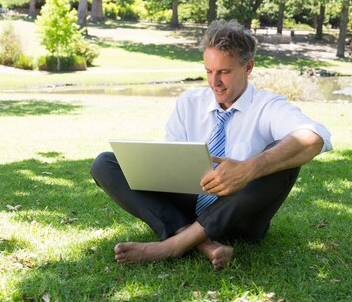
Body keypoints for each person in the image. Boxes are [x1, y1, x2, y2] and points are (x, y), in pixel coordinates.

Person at [90, 19, 332, 270]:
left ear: (248, 67)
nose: (214, 82)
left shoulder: (268, 106)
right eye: (209, 71)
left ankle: (171, 246)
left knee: (283, 161)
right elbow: (171, 163)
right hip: (190, 205)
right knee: (105, 164)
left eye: (224, 72)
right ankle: (200, 242)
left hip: (240, 217)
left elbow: (315, 136)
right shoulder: (189, 103)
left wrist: (248, 168)